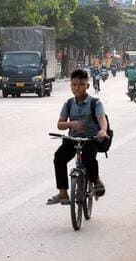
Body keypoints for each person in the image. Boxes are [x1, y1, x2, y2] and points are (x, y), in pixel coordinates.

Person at [47, 68, 109, 205]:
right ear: (71, 86)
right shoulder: (68, 104)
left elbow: (101, 118)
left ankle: (96, 179)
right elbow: (60, 124)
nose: (77, 88)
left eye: (81, 85)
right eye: (74, 85)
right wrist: (71, 124)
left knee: (88, 157)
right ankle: (63, 192)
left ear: (87, 86)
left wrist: (103, 131)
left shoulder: (95, 103)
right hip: (73, 140)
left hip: (90, 139)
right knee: (59, 157)